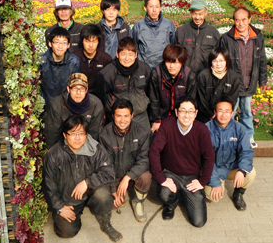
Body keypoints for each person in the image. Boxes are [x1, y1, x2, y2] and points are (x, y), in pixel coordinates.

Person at [43, 115, 122, 242]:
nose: (78, 138)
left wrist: (87, 182)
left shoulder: (95, 149)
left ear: (86, 135)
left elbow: (109, 172)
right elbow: (48, 184)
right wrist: (59, 207)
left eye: (81, 133)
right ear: (65, 135)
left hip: (91, 191)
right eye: (73, 133)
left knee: (103, 196)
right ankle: (75, 217)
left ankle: (105, 223)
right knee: (65, 232)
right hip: (69, 197)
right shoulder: (53, 154)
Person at [149, 97, 215, 227]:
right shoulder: (168, 125)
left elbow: (210, 157)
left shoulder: (202, 130)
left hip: (192, 177)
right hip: (171, 173)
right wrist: (161, 178)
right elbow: (154, 151)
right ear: (176, 112)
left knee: (199, 222)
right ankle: (171, 203)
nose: (187, 115)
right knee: (164, 193)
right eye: (183, 111)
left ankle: (185, 195)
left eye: (191, 111)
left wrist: (202, 181)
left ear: (196, 113)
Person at [219, 7, 267, 142]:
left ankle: (248, 136)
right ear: (233, 21)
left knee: (246, 111)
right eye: (237, 20)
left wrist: (263, 80)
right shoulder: (226, 38)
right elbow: (221, 61)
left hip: (249, 81)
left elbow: (262, 59)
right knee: (229, 111)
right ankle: (227, 136)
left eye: (244, 20)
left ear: (249, 20)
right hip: (232, 83)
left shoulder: (257, 36)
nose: (240, 23)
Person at [99, 99, 151, 222]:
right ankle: (119, 193)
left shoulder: (142, 132)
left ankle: (138, 200)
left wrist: (127, 177)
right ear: (113, 116)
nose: (122, 120)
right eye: (119, 116)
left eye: (126, 116)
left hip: (132, 175)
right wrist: (113, 191)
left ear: (132, 115)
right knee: (107, 203)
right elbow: (105, 165)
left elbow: (144, 160)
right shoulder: (104, 135)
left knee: (146, 177)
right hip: (114, 176)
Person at [205, 97, 256, 210]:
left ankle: (238, 194)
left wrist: (242, 171)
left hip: (232, 167)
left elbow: (247, 152)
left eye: (227, 111)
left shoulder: (240, 129)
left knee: (250, 173)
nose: (224, 114)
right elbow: (205, 159)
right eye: (220, 111)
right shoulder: (206, 129)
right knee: (213, 196)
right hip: (214, 169)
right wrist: (215, 183)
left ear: (232, 113)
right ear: (215, 112)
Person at [97, 37, 151, 132]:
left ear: (136, 55)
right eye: (123, 54)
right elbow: (101, 96)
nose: (127, 58)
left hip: (140, 115)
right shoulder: (107, 73)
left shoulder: (145, 69)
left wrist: (155, 118)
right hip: (117, 117)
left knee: (145, 143)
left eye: (130, 54)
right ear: (117, 54)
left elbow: (151, 93)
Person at [44, 73, 104, 148]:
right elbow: (52, 135)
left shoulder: (96, 105)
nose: (78, 93)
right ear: (68, 89)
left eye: (81, 89)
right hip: (62, 148)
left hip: (86, 149)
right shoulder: (56, 105)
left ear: (86, 90)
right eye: (74, 88)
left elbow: (94, 135)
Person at [149, 44, 197, 134]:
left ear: (182, 62)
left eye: (176, 62)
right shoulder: (157, 74)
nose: (172, 66)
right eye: (168, 62)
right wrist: (156, 120)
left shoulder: (189, 76)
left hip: (181, 114)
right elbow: (154, 99)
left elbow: (190, 101)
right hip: (162, 114)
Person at [195, 46, 242, 124]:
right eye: (215, 61)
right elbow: (201, 99)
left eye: (221, 61)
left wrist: (220, 114)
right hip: (205, 116)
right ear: (211, 61)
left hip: (223, 117)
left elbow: (232, 98)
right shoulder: (203, 75)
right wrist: (211, 114)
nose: (218, 64)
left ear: (227, 61)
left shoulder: (234, 76)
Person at [38, 26, 81, 109]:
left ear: (68, 45)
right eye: (57, 42)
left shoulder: (74, 62)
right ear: (50, 43)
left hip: (66, 106)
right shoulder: (41, 61)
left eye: (64, 43)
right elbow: (37, 87)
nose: (60, 46)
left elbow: (74, 86)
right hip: (45, 106)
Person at [174, 0, 220, 74]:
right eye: (195, 14)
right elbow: (175, 55)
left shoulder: (213, 32)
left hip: (207, 75)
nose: (197, 17)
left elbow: (218, 57)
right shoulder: (181, 31)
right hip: (185, 75)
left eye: (200, 14)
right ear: (191, 13)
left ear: (206, 13)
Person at [131, 0, 175, 69]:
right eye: (151, 7)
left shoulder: (168, 25)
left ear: (160, 8)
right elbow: (134, 47)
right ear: (145, 8)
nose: (154, 10)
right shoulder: (138, 26)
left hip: (163, 68)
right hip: (144, 68)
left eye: (157, 7)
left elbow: (173, 45)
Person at [71, 24, 112, 95]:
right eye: (87, 41)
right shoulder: (74, 57)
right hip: (78, 95)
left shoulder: (106, 59)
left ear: (98, 42)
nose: (91, 45)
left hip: (99, 97)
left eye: (94, 41)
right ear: (82, 41)